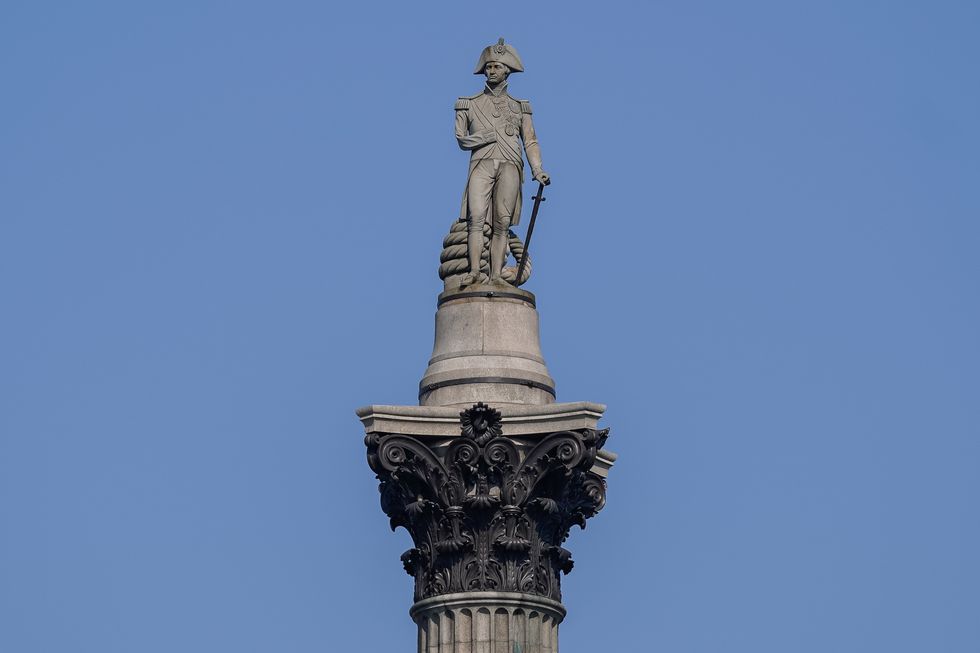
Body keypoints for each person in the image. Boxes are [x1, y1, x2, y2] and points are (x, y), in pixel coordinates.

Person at [455, 38, 550, 286]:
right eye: (488, 67)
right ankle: (475, 271)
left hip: (510, 164)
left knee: (502, 223)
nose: (491, 71)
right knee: (476, 218)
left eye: (496, 67)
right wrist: (482, 137)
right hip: (481, 163)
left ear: (507, 69)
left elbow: (530, 141)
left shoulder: (520, 107)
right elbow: (460, 139)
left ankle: (496, 276)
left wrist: (537, 169)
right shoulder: (470, 104)